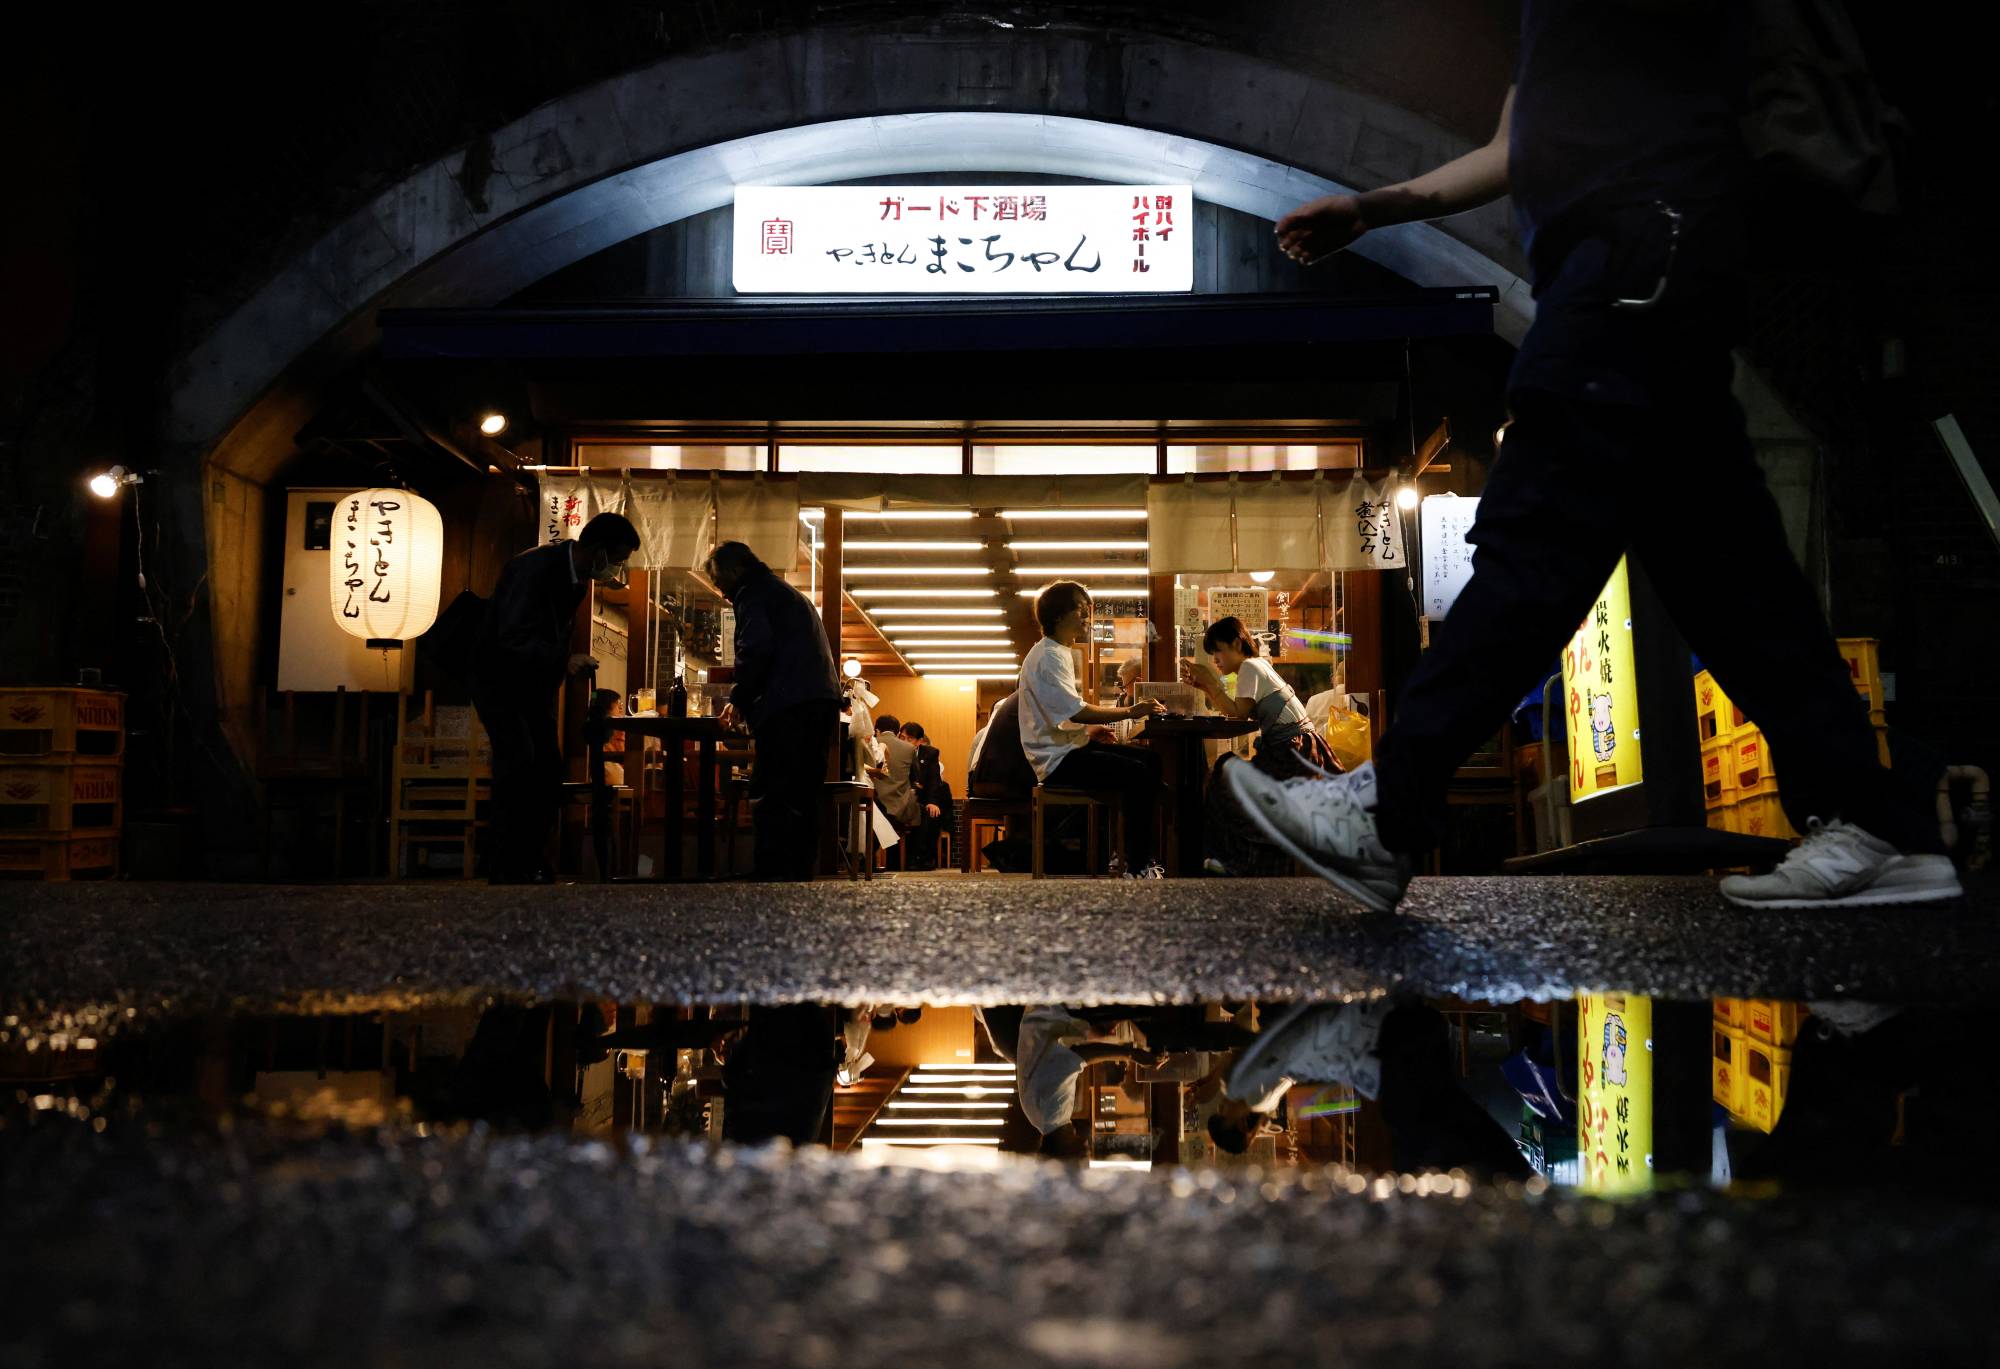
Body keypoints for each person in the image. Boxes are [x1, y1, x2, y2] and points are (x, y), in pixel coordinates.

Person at [1233, 5, 1962, 913]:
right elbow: (1519, 138)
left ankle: (1387, 809)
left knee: (1538, 541)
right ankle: (1872, 815)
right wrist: (1377, 208)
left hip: (1631, 261)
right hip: (1646, 263)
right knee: (1729, 576)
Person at [472, 511, 639, 883]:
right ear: (597, 550)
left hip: (534, 686)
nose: (616, 569)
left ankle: (526, 860)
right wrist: (564, 660)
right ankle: (505, 865)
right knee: (518, 765)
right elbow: (511, 636)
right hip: (500, 681)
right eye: (617, 560)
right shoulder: (533, 569)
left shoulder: (575, 578)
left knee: (546, 772)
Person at [708, 540, 842, 881]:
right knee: (804, 789)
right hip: (819, 700)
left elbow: (754, 649)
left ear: (735, 570)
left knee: (774, 787)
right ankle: (799, 869)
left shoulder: (754, 594)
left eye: (720, 583)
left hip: (788, 704)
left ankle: (772, 868)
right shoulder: (783, 593)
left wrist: (739, 698)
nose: (722, 592)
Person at [1019, 581, 1168, 877]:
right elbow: (1076, 710)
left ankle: (1134, 857)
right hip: (1057, 761)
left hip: (1067, 749)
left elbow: (1061, 713)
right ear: (1059, 615)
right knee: (1139, 773)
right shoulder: (1048, 656)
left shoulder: (1056, 651)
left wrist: (1089, 732)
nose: (1087, 617)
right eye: (1081, 610)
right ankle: (1135, 866)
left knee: (1150, 761)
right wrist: (1131, 711)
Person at [1183, 616, 1342, 875]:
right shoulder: (1257, 666)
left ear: (1237, 643)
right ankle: (1242, 860)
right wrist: (1206, 685)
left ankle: (1238, 860)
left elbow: (1238, 712)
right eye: (1212, 655)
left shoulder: (1249, 668)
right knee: (1227, 774)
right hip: (1301, 751)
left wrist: (1210, 682)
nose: (1215, 660)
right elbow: (1237, 710)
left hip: (1293, 755)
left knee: (1224, 777)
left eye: (1218, 651)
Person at [899, 720, 954, 871]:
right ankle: (906, 858)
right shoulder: (894, 750)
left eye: (909, 739)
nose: (904, 742)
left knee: (932, 812)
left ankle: (925, 858)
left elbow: (934, 780)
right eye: (902, 738)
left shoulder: (930, 753)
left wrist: (932, 801)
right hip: (902, 798)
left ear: (919, 741)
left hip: (923, 798)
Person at [867, 714, 922, 839]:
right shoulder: (909, 748)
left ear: (877, 731)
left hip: (875, 806)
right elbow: (915, 776)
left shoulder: (871, 745)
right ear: (898, 732)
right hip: (900, 810)